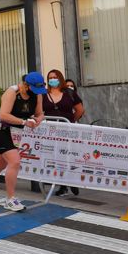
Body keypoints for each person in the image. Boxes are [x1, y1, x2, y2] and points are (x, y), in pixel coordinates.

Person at [0, 72, 47, 211]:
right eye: (34, 89)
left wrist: (38, 120)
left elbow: (40, 113)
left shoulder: (37, 94)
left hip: (15, 132)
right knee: (15, 161)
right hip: (0, 130)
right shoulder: (12, 92)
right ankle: (10, 199)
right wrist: (24, 121)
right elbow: (3, 115)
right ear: (25, 85)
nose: (37, 93)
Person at [42, 68, 83, 197]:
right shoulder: (43, 94)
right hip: (51, 132)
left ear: (60, 78)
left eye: (55, 77)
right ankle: (62, 185)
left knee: (69, 156)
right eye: (50, 78)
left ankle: (72, 181)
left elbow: (80, 110)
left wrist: (70, 122)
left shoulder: (69, 93)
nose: (52, 80)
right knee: (56, 157)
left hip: (68, 131)